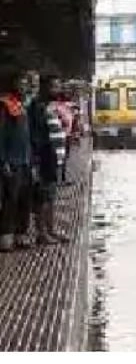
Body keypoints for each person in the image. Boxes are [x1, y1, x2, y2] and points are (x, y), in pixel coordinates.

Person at [0, 69, 37, 251]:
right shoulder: (5, 105)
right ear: (12, 84)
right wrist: (3, 161)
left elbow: (27, 136)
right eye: (20, 83)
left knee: (25, 198)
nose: (23, 86)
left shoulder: (22, 106)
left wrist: (32, 161)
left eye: (25, 83)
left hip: (25, 160)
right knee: (10, 200)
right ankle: (6, 236)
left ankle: (21, 234)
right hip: (12, 161)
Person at [29, 74, 69, 244]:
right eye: (54, 86)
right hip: (45, 158)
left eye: (58, 86)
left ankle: (51, 230)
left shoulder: (50, 106)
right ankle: (42, 233)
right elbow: (37, 135)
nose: (57, 90)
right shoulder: (39, 107)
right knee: (43, 197)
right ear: (46, 88)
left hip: (55, 159)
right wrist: (37, 160)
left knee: (51, 196)